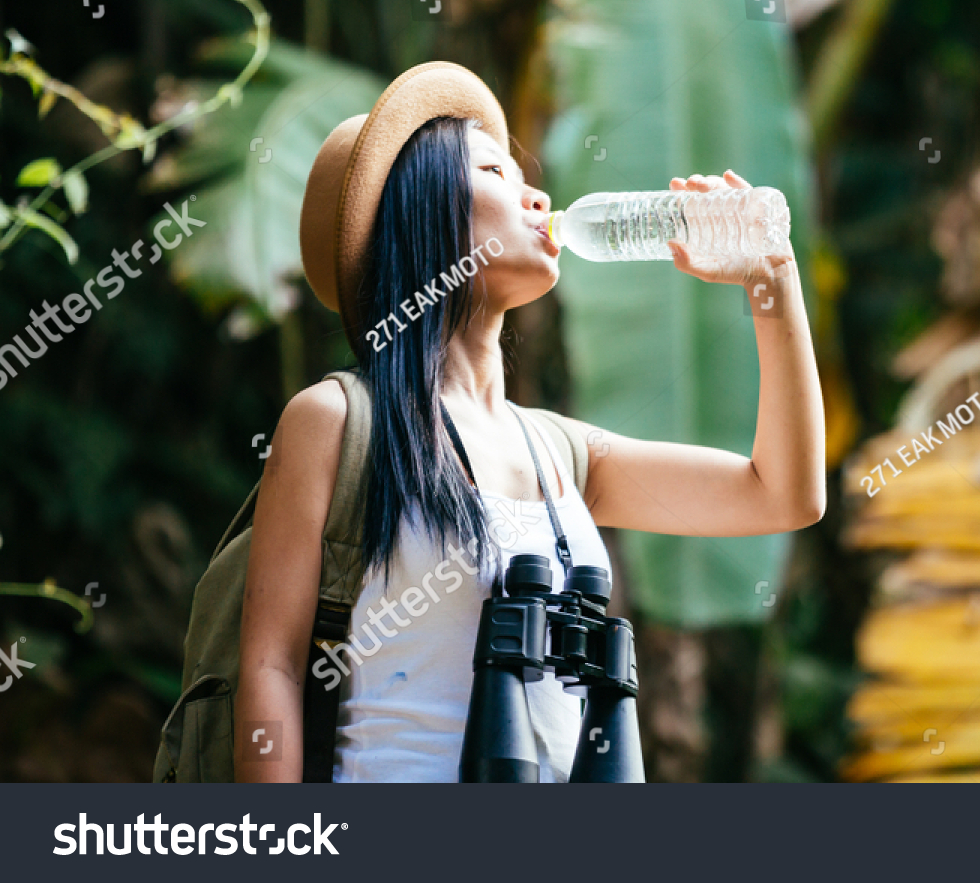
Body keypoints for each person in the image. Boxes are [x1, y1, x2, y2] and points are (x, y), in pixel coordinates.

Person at [235, 62, 825, 782]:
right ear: (424, 213)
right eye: (495, 171)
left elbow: (783, 492)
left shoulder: (559, 452)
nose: (538, 195)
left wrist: (772, 278)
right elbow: (271, 670)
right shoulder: (336, 423)